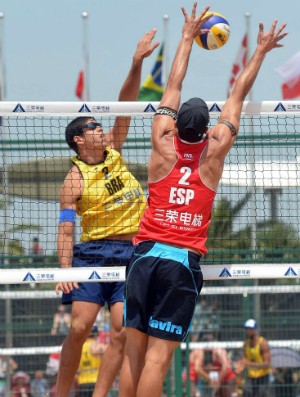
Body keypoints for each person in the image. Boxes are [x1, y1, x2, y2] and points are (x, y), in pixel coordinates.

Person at [119, 3, 287, 396]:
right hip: (180, 262)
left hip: (144, 257)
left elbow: (173, 85)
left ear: (175, 123)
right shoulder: (214, 154)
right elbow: (237, 95)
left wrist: (185, 36)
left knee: (133, 353)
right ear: (208, 129)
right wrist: (260, 50)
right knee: (158, 359)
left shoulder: (162, 143)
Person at [54, 30, 159, 397]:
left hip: (131, 251)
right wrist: (64, 269)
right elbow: (66, 231)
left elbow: (125, 103)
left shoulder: (114, 148)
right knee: (80, 327)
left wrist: (137, 62)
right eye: (92, 127)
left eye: (99, 125)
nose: (99, 129)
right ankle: (60, 393)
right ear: (79, 140)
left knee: (121, 331)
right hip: (92, 253)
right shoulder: (73, 179)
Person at [240, 319, 271, 397]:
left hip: (262, 377)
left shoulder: (262, 343)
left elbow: (267, 363)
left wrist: (250, 364)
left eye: (250, 329)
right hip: (251, 377)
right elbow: (244, 361)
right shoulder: (246, 344)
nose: (247, 331)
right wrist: (239, 366)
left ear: (255, 330)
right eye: (246, 329)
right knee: (246, 394)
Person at [77, 325, 107, 397]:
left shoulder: (79, 347)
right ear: (97, 334)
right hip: (95, 381)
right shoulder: (98, 346)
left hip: (82, 383)